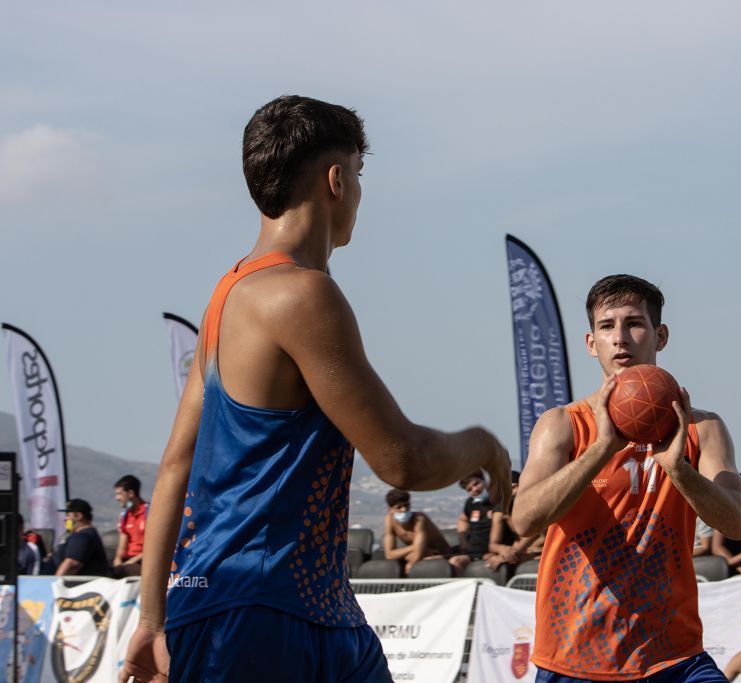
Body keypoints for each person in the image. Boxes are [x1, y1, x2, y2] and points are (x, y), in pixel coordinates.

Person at [120, 95, 511, 683]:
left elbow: (176, 464)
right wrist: (483, 444)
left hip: (281, 607)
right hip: (265, 611)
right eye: (358, 175)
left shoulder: (226, 297)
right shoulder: (301, 295)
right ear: (336, 179)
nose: (358, 193)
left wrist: (151, 617)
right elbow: (402, 459)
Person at [512, 274, 741, 682]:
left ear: (661, 336)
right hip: (576, 653)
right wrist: (602, 448)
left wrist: (679, 470)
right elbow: (524, 520)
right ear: (591, 343)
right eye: (607, 326)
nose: (620, 337)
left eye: (634, 323)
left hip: (672, 655)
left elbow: (737, 523)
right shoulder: (562, 425)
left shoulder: (702, 427)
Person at [382, 489, 469, 575]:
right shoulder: (389, 521)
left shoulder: (419, 519)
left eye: (406, 505)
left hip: (441, 554)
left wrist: (402, 554)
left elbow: (417, 556)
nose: (404, 510)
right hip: (424, 553)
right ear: (390, 510)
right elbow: (389, 555)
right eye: (399, 507)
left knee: (409, 567)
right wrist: (414, 547)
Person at [488, 471, 544, 569]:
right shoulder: (501, 511)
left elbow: (534, 533)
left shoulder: (536, 504)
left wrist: (510, 554)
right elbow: (492, 544)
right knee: (493, 561)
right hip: (521, 552)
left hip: (541, 551)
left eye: (514, 487)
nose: (511, 492)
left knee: (508, 562)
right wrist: (503, 549)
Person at [53, 499, 111, 577]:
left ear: (78, 516)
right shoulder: (82, 535)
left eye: (68, 515)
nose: (66, 519)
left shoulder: (83, 537)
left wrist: (53, 584)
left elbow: (72, 564)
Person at [113, 474, 149, 578]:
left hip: (143, 561)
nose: (117, 498)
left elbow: (154, 545)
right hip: (128, 560)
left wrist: (129, 563)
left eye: (119, 494)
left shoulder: (149, 513)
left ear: (131, 493)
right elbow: (121, 547)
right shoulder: (124, 516)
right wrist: (118, 561)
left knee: (127, 570)